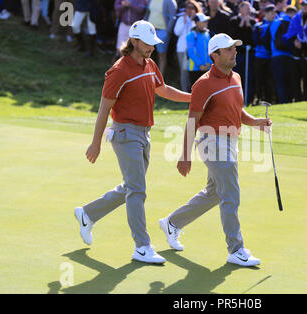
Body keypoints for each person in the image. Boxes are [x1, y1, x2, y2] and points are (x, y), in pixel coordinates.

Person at [76, 20, 191, 264]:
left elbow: (164, 90)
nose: (152, 48)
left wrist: (192, 98)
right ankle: (142, 246)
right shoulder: (119, 71)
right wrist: (95, 143)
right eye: (148, 44)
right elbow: (103, 109)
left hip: (144, 133)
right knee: (138, 190)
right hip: (126, 134)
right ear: (135, 41)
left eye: (153, 44)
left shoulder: (149, 64)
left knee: (131, 187)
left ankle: (88, 213)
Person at [158, 33, 271, 267]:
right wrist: (185, 155)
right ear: (215, 55)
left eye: (234, 48)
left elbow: (237, 111)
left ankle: (172, 223)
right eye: (229, 49)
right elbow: (192, 120)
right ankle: (236, 249)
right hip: (212, 142)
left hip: (231, 141)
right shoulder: (203, 84)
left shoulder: (237, 78)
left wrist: (257, 122)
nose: (234, 52)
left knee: (214, 194)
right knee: (231, 194)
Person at [228, 1, 256, 105]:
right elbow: (232, 36)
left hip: (249, 55)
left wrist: (248, 24)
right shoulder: (234, 21)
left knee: (249, 77)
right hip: (237, 55)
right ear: (240, 9)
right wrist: (241, 24)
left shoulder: (253, 22)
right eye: (246, 9)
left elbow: (254, 38)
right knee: (236, 77)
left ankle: (248, 101)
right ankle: (235, 100)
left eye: (249, 9)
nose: (248, 11)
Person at [174, 0, 201, 92]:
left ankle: (194, 92)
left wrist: (192, 21)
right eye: (188, 8)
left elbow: (196, 33)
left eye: (192, 8)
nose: (189, 10)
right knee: (184, 72)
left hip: (195, 50)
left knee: (195, 70)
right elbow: (177, 32)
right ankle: (184, 92)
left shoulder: (198, 20)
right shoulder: (181, 19)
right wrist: (185, 22)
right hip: (182, 49)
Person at [253, 4, 276, 104]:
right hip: (260, 57)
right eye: (271, 12)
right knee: (259, 79)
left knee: (270, 81)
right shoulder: (259, 26)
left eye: (275, 12)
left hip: (271, 57)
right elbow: (256, 40)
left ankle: (268, 100)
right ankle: (258, 99)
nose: (274, 15)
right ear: (266, 13)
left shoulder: (276, 24)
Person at [147, 0, 178, 75]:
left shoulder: (169, 1)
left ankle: (159, 78)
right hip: (150, 31)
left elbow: (173, 17)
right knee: (146, 53)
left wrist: (168, 31)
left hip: (162, 31)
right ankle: (147, 75)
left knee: (161, 55)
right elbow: (148, 13)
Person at [187, 13, 213, 85]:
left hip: (207, 68)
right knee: (195, 91)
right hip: (195, 69)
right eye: (204, 21)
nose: (206, 23)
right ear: (197, 23)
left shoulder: (207, 34)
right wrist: (200, 65)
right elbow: (190, 52)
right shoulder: (191, 35)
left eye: (206, 21)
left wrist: (209, 63)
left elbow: (210, 50)